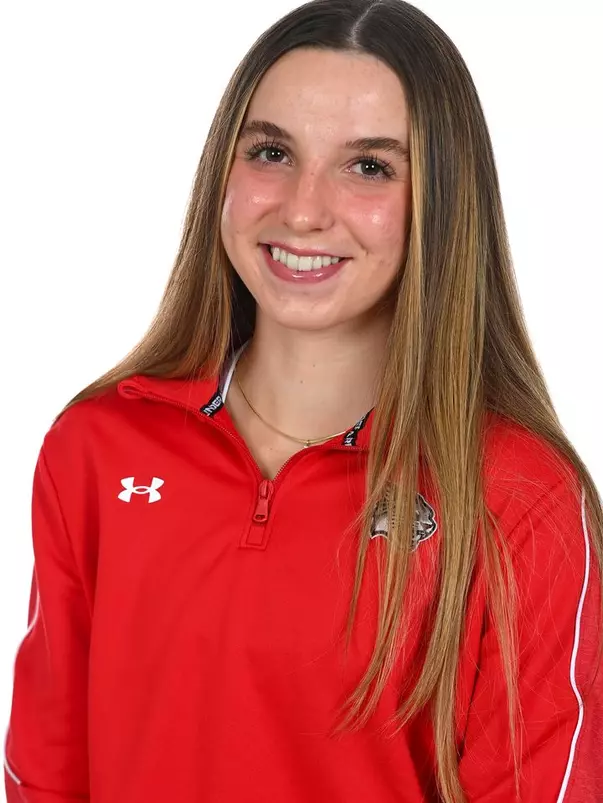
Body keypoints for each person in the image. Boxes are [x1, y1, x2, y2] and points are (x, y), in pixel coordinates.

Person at [3, 0, 602, 801]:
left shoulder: (518, 494)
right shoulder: (100, 446)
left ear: (442, 202)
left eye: (369, 167)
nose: (303, 209)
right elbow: (45, 773)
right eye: (272, 151)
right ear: (224, 167)